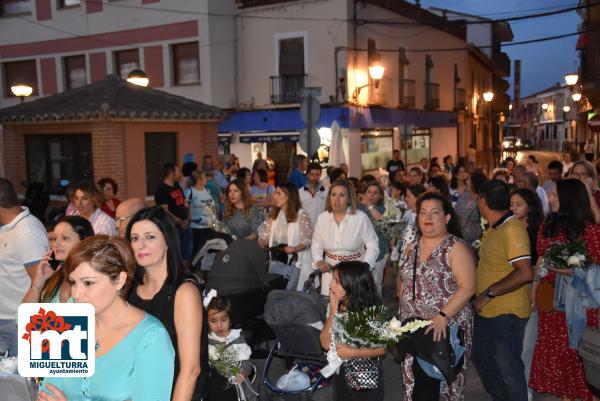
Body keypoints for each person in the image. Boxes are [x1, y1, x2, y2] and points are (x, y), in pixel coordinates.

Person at [39, 235, 175, 401]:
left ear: (119, 280)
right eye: (73, 282)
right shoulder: (68, 323)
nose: (76, 293)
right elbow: (48, 391)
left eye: (88, 283)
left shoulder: (151, 337)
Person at [397, 192, 476, 401]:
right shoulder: (411, 247)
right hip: (413, 329)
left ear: (447, 217)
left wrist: (443, 315)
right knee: (412, 384)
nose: (427, 217)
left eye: (434, 212)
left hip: (444, 327)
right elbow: (402, 282)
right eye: (423, 212)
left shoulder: (455, 247)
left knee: (444, 387)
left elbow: (468, 288)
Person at [528, 179, 600, 401]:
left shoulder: (591, 231)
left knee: (585, 363)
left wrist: (568, 269)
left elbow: (595, 270)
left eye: (556, 196)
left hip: (581, 307)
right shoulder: (547, 226)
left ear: (570, 199)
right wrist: (533, 294)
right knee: (560, 367)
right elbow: (540, 262)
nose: (550, 199)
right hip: (551, 307)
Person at [127, 206, 207, 401]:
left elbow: (191, 370)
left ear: (167, 242)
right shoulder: (127, 289)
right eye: (135, 238)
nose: (140, 245)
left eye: (150, 237)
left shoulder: (184, 292)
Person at [471, 180, 533, 401]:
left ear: (484, 201)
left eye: (478, 198)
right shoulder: (495, 227)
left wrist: (488, 293)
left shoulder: (511, 230)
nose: (477, 202)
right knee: (481, 356)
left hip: (506, 313)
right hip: (489, 312)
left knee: (509, 370)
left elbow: (525, 273)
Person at [319, 261, 386, 401]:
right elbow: (325, 344)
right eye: (333, 280)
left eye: (337, 281)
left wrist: (352, 353)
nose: (331, 286)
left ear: (353, 284)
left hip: (365, 372)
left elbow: (382, 349)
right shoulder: (335, 308)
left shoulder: (373, 313)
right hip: (341, 372)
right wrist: (332, 313)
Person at [0, 178, 47, 356]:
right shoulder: (7, 228)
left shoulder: (27, 232)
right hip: (5, 320)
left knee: (18, 382)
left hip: (17, 323)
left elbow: (41, 281)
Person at [311, 180, 379, 296]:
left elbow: (373, 245)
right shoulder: (322, 218)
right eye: (333, 195)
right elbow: (316, 244)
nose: (337, 199)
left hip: (354, 274)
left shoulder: (360, 218)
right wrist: (319, 260)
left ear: (349, 199)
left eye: (342, 195)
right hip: (330, 274)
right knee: (331, 308)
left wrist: (365, 266)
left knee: (355, 309)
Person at [508, 188, 544, 397]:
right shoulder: (505, 228)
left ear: (530, 206)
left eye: (518, 204)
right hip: (509, 288)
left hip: (531, 287)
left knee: (527, 342)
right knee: (510, 341)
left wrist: (533, 294)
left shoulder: (539, 229)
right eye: (511, 204)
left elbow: (540, 263)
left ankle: (525, 389)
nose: (513, 208)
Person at [23, 216, 94, 304]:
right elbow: (24, 316)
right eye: (55, 238)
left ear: (84, 242)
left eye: (65, 238)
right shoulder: (52, 274)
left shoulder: (94, 278)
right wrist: (38, 283)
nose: (56, 244)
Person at [258, 183, 313, 290]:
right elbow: (264, 236)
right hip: (277, 263)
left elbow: (307, 240)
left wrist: (295, 249)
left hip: (297, 264)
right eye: (275, 193)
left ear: (289, 196)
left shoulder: (301, 214)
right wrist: (260, 245)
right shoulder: (274, 214)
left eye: (279, 194)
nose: (275, 196)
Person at [205, 295, 254, 401]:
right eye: (213, 321)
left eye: (223, 320)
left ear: (230, 320)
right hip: (215, 387)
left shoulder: (236, 339)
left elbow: (248, 364)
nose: (219, 325)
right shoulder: (208, 339)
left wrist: (243, 373)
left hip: (235, 386)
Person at [154, 163, 191, 261]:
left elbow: (185, 203)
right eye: (178, 171)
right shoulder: (161, 189)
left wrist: (187, 218)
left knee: (187, 255)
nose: (180, 174)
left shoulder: (177, 186)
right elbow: (165, 211)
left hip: (185, 225)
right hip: (173, 228)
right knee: (176, 256)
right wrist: (179, 221)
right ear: (171, 173)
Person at [359, 181, 390, 293]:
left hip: (380, 250)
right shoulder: (358, 208)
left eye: (375, 193)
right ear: (364, 194)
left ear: (380, 195)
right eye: (369, 192)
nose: (371, 195)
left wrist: (370, 206)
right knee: (362, 283)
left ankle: (376, 309)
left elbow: (381, 220)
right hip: (361, 251)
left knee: (376, 283)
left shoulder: (384, 208)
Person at [184, 170, 218, 256]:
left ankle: (207, 268)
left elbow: (212, 207)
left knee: (210, 251)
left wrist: (214, 223)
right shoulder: (189, 192)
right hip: (197, 228)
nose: (206, 179)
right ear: (199, 180)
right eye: (204, 177)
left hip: (210, 226)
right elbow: (185, 207)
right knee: (198, 251)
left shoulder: (207, 190)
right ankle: (196, 269)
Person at [455, 169, 488, 245]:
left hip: (476, 242)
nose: (466, 181)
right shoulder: (464, 195)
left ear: (475, 183)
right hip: (459, 238)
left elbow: (484, 222)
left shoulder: (482, 201)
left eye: (469, 180)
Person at [571, 159, 600, 225]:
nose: (578, 177)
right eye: (575, 174)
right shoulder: (568, 193)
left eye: (583, 174)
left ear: (590, 177)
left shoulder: (597, 194)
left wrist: (589, 192)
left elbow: (598, 220)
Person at [299, 162, 328, 229]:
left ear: (320, 175)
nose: (315, 177)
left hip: (322, 228)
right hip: (305, 229)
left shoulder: (327, 191)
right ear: (307, 175)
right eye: (312, 174)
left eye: (317, 174)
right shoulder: (299, 192)